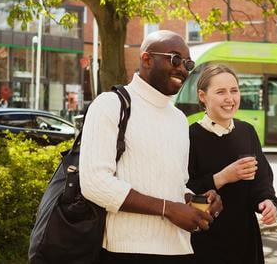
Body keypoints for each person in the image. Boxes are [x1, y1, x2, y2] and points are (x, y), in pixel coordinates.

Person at [80, 30, 223, 264]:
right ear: (146, 59)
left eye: (188, 63)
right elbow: (94, 183)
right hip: (127, 252)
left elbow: (174, 185)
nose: (183, 69)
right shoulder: (110, 104)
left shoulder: (178, 119)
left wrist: (197, 200)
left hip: (180, 250)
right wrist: (168, 209)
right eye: (175, 59)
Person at [186, 64, 277, 264]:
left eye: (234, 90)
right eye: (221, 92)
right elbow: (183, 191)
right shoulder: (189, 136)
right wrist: (222, 177)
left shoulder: (247, 131)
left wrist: (268, 202)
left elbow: (261, 182)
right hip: (204, 244)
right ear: (203, 96)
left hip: (245, 242)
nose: (230, 99)